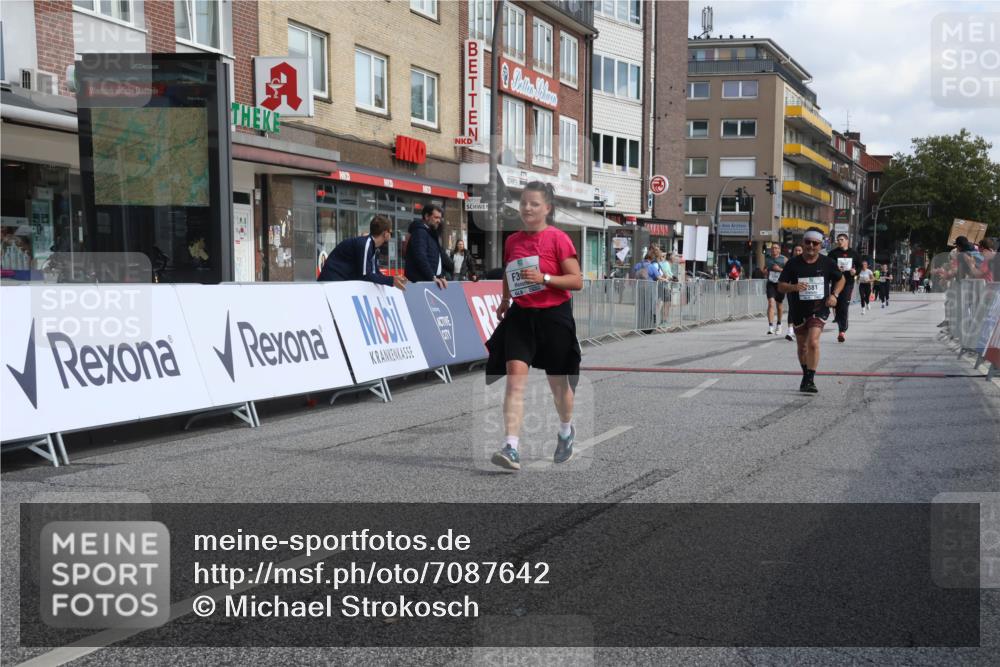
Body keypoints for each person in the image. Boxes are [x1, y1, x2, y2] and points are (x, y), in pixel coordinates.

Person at [486, 182, 584, 471]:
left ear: (547, 208)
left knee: (558, 385)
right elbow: (509, 271)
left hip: (554, 316)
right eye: (524, 203)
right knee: (515, 378)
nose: (527, 208)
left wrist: (544, 278)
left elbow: (576, 281)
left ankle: (566, 432)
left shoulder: (559, 239)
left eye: (534, 204)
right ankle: (511, 447)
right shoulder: (513, 240)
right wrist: (505, 298)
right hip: (522, 315)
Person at [778, 228, 846, 394]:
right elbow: (780, 286)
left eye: (815, 243)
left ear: (820, 245)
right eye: (808, 242)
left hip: (819, 308)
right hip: (798, 309)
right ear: (803, 243)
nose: (811, 246)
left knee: (813, 342)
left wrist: (834, 295)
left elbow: (841, 279)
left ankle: (810, 379)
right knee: (802, 347)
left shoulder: (827, 262)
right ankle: (806, 375)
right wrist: (794, 287)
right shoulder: (793, 263)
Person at [317, 215, 406, 289]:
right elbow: (365, 275)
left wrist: (394, 279)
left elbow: (375, 273)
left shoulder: (373, 246)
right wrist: (391, 280)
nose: (391, 235)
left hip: (337, 282)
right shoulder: (366, 244)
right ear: (385, 233)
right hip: (330, 282)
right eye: (390, 232)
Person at [826, 233, 863, 343]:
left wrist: (855, 272)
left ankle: (842, 331)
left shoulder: (854, 253)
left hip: (848, 282)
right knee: (836, 304)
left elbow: (860, 265)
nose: (839, 241)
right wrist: (835, 269)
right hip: (836, 282)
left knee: (844, 305)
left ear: (847, 240)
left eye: (841, 239)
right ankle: (838, 320)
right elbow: (828, 265)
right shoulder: (833, 253)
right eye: (838, 240)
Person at [404, 203, 447, 289]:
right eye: (436, 217)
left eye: (440, 218)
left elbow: (436, 258)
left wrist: (440, 276)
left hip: (430, 281)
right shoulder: (420, 232)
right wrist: (432, 277)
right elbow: (420, 256)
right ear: (427, 216)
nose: (439, 221)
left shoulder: (430, 233)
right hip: (420, 284)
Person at [764, 242, 787, 336]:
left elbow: (789, 271)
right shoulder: (767, 258)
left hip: (780, 284)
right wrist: (765, 271)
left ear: (779, 250)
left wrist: (779, 269)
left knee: (779, 306)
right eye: (773, 248)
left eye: (776, 248)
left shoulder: (784, 259)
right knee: (770, 303)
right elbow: (764, 269)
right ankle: (770, 327)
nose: (774, 249)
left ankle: (779, 324)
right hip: (770, 283)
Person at [785, 244, 803, 341]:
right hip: (792, 289)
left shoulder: (807, 262)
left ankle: (800, 328)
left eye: (800, 250)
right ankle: (790, 331)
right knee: (792, 309)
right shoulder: (790, 263)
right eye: (796, 250)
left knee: (802, 310)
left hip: (804, 290)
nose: (798, 252)